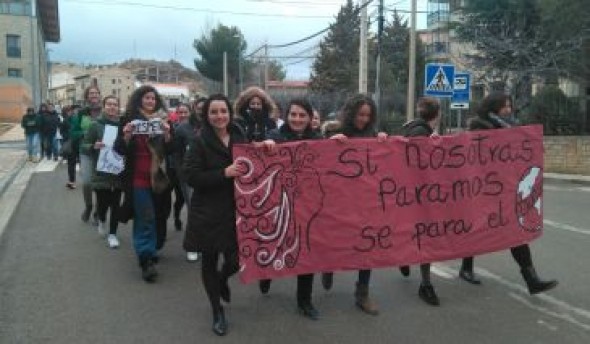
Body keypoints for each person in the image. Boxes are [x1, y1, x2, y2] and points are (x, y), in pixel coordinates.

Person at [459, 92, 558, 295]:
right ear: (494, 107)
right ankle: (466, 267)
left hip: (506, 189)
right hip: (483, 189)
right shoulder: (479, 125)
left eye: (510, 106)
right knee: (476, 230)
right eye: (505, 106)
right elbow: (475, 156)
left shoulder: (510, 126)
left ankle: (531, 279)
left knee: (515, 232)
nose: (509, 110)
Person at [183, 94, 248, 336]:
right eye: (214, 112)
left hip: (237, 208)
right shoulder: (198, 141)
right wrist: (224, 173)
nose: (219, 116)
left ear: (230, 113)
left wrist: (267, 148)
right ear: (206, 115)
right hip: (208, 211)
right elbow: (191, 176)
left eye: (223, 111)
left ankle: (222, 279)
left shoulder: (240, 136)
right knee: (209, 260)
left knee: (237, 259)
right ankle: (216, 310)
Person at [323, 94, 388, 316]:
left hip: (366, 203)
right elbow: (320, 161)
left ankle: (362, 293)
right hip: (339, 201)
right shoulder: (335, 132)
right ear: (352, 113)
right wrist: (331, 144)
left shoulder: (372, 135)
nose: (364, 119)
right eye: (360, 114)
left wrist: (384, 141)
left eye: (368, 115)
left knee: (366, 247)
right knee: (336, 239)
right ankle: (328, 264)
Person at [261, 98, 323, 320]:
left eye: (302, 115)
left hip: (307, 204)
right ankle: (265, 273)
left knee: (306, 251)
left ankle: (304, 301)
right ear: (287, 116)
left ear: (309, 118)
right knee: (274, 243)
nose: (297, 119)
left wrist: (338, 141)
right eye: (293, 115)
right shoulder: (275, 137)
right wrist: (266, 144)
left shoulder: (318, 139)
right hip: (279, 202)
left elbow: (330, 161)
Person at [115, 85, 173, 283]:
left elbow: (171, 150)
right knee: (145, 216)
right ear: (139, 100)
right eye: (146, 98)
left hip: (158, 177)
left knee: (158, 215)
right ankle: (145, 258)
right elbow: (119, 150)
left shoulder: (164, 121)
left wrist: (166, 135)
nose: (150, 101)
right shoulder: (128, 120)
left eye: (153, 98)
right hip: (137, 178)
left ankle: (151, 248)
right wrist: (126, 135)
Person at [397, 97, 443, 306]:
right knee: (425, 239)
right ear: (438, 114)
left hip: (408, 195)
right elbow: (421, 166)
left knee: (415, 234)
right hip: (420, 196)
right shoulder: (421, 134)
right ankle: (426, 284)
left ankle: (404, 259)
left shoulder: (410, 129)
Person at [83, 95, 123, 248]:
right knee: (102, 204)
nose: (112, 107)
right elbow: (84, 145)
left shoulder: (122, 125)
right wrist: (94, 146)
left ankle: (113, 234)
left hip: (118, 171)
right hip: (101, 171)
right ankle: (101, 220)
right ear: (104, 106)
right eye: (109, 104)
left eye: (115, 104)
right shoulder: (95, 125)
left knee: (116, 205)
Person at [178, 98, 206, 262]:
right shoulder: (183, 128)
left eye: (205, 108)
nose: (202, 111)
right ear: (194, 108)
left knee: (206, 211)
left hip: (209, 175)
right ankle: (192, 246)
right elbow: (177, 153)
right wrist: (183, 173)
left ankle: (203, 243)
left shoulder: (213, 126)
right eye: (199, 108)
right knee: (194, 210)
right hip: (190, 176)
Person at [70, 86, 102, 224]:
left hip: (102, 153)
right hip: (86, 151)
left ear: (99, 95)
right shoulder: (81, 113)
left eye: (96, 93)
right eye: (91, 93)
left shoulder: (105, 110)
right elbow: (73, 132)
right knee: (88, 182)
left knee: (101, 184)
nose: (94, 95)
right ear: (87, 96)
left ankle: (98, 211)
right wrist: (86, 133)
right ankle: (89, 206)